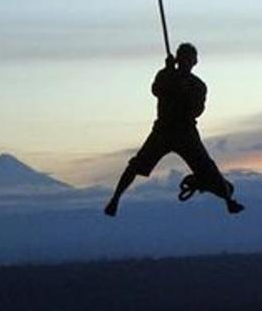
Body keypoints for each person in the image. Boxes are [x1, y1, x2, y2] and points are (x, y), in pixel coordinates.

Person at [104, 42, 244, 217]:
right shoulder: (165, 75)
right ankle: (115, 199)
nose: (186, 62)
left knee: (210, 171)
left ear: (194, 62)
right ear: (178, 59)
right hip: (163, 131)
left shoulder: (198, 86)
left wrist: (178, 83)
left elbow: (196, 111)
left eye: (189, 59)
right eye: (183, 58)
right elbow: (156, 90)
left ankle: (227, 200)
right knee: (136, 165)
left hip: (185, 133)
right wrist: (169, 73)